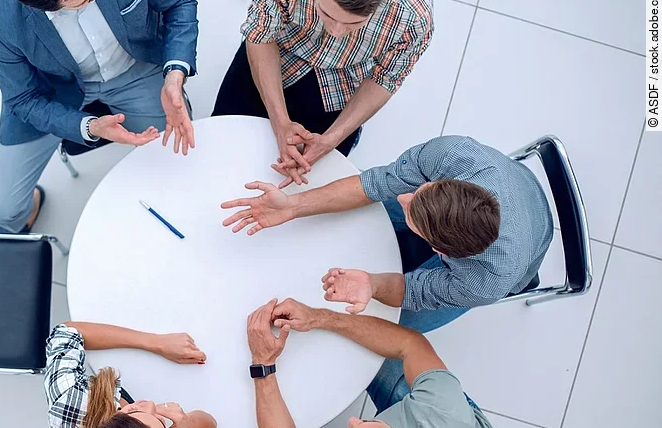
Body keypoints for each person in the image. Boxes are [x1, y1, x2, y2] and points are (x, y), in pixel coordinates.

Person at [221, 135, 554, 335]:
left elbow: (415, 290)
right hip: (516, 183)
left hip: (527, 247)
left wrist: (374, 285)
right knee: (376, 199)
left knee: (395, 322)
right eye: (421, 192)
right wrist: (292, 206)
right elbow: (377, 184)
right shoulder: (452, 155)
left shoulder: (486, 281)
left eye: (412, 213)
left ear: (439, 250)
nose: (404, 198)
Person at [0, 0, 200, 233]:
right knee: (0, 209)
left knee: (175, 156)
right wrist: (89, 127)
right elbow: (23, 98)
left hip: (134, 69)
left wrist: (174, 74)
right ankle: (29, 209)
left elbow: (180, 1)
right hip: (54, 93)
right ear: (47, 5)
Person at [241, 298, 499, 428]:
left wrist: (263, 363)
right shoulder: (442, 411)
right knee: (375, 349)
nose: (352, 420)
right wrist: (320, 317)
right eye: (363, 425)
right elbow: (412, 344)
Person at [212, 0, 433, 188]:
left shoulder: (415, 16)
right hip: (279, 48)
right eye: (327, 14)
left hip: (345, 77)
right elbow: (262, 37)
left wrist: (331, 140)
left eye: (353, 23)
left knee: (317, 180)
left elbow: (385, 78)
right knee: (220, 143)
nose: (337, 32)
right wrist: (280, 123)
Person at [45, 321, 217, 428]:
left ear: (108, 423)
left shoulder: (69, 404)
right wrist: (189, 423)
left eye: (132, 411)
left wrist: (156, 342)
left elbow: (67, 333)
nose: (150, 404)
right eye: (160, 422)